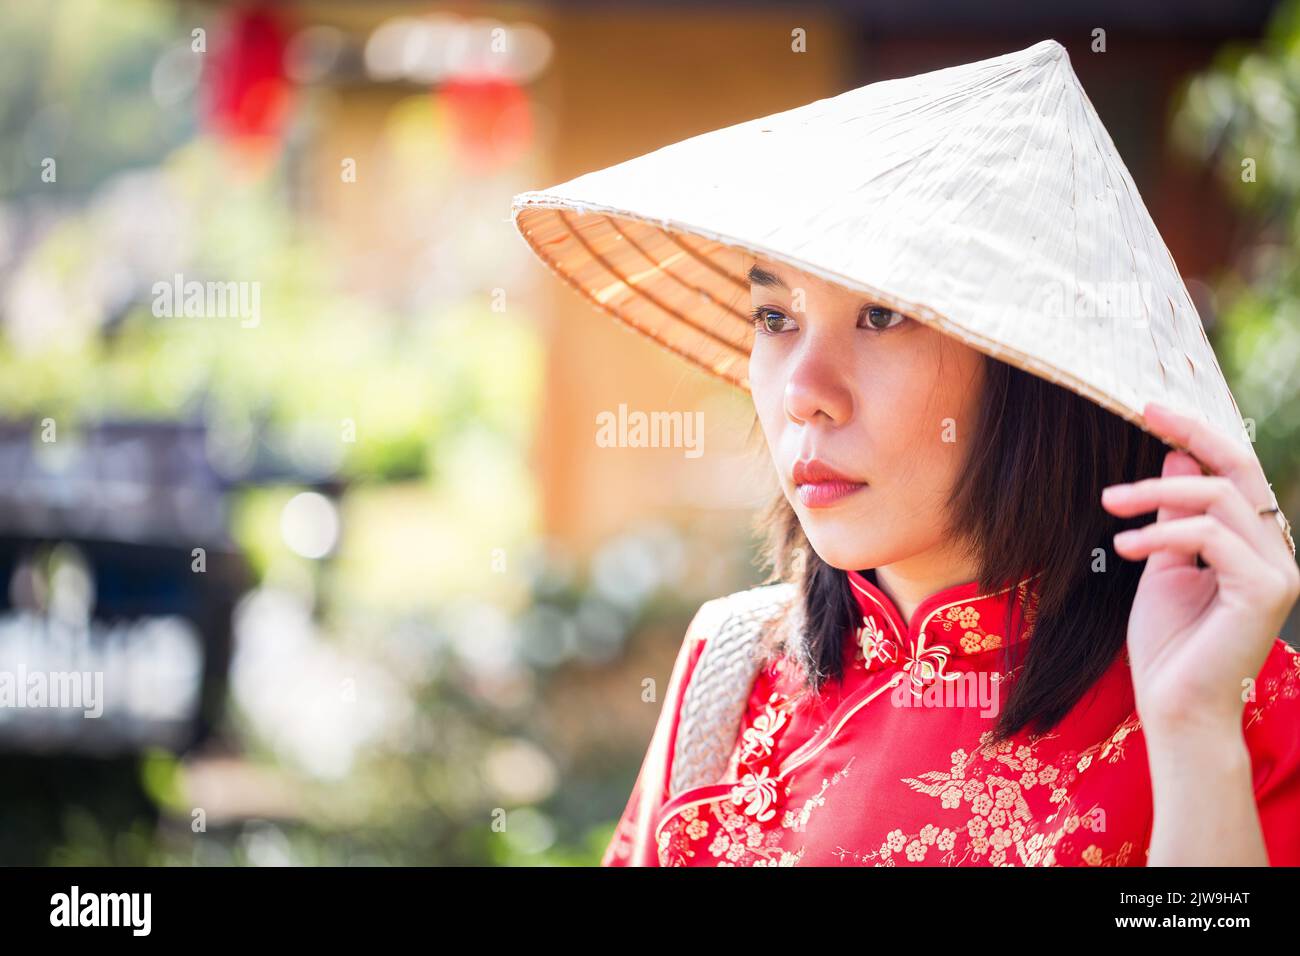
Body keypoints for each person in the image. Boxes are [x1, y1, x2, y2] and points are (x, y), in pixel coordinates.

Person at [511, 39, 1300, 866]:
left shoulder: (1233, 701)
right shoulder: (735, 672)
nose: (803, 391)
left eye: (882, 316)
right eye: (776, 318)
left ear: (1029, 369)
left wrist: (1195, 736)